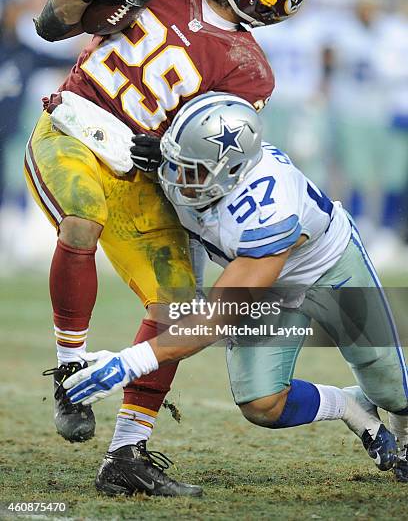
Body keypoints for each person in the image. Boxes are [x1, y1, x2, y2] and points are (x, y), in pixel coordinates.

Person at [24, 0, 311, 496]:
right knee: (82, 218)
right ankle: (69, 368)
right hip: (74, 128)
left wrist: (177, 154)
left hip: (140, 173)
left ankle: (125, 453)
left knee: (179, 309)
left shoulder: (249, 71)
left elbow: (207, 160)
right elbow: (49, 24)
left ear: (266, 2)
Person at [65, 93, 408, 487]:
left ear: (231, 172)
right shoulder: (185, 165)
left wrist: (128, 363)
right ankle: (349, 406)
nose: (177, 178)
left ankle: (402, 431)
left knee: (393, 389)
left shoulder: (269, 211)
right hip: (263, 280)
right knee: (262, 404)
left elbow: (213, 321)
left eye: (190, 171)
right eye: (176, 162)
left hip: (327, 266)